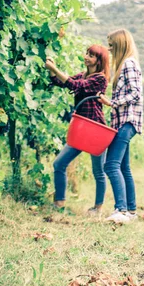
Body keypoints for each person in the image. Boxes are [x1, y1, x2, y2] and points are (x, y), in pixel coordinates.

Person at [45, 45, 110, 215]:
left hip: (95, 127)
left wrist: (55, 68)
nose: (86, 57)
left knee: (98, 171)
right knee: (59, 163)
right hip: (81, 128)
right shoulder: (83, 75)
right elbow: (62, 82)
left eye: (91, 55)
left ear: (99, 60)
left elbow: (77, 86)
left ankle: (98, 207)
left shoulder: (100, 79)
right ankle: (59, 203)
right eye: (87, 53)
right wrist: (52, 71)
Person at [98, 29, 143, 224]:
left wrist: (112, 103)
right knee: (124, 167)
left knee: (110, 165)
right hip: (123, 122)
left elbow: (135, 94)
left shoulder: (128, 64)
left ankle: (121, 209)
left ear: (120, 44)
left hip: (127, 120)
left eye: (111, 44)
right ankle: (130, 211)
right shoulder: (125, 65)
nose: (109, 48)